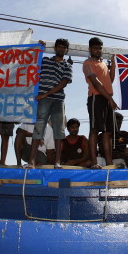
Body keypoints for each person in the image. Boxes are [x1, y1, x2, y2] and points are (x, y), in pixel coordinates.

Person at [28, 39, 73, 168]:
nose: (61, 49)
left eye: (64, 47)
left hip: (58, 100)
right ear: (55, 48)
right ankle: (31, 161)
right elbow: (32, 61)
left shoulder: (67, 66)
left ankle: (57, 162)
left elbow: (63, 83)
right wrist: (39, 47)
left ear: (66, 50)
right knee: (39, 128)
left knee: (59, 130)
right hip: (43, 100)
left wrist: (45, 94)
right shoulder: (45, 61)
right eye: (59, 46)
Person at [83, 37, 117, 167]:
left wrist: (113, 65)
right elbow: (96, 84)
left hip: (107, 97)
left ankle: (109, 162)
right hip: (96, 97)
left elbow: (110, 81)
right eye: (95, 48)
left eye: (100, 48)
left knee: (107, 132)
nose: (98, 51)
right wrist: (110, 99)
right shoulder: (87, 63)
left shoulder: (103, 63)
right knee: (95, 129)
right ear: (90, 49)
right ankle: (94, 162)